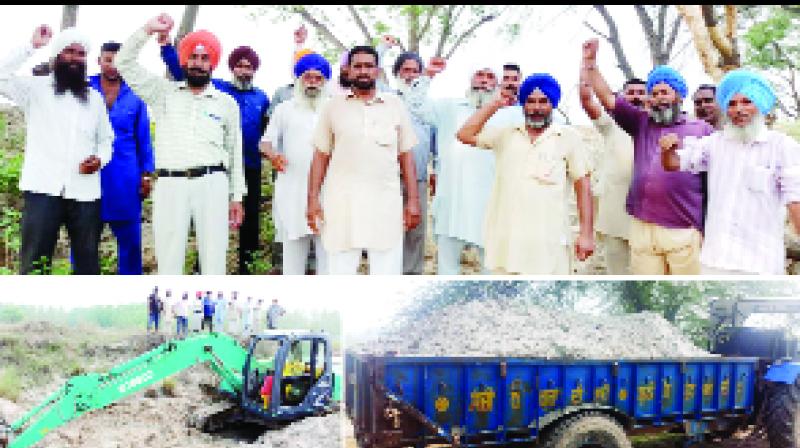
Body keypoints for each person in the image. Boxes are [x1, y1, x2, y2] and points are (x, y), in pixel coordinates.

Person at [115, 14, 245, 274]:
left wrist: (237, 197)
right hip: (169, 184)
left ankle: (212, 314)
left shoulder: (226, 103)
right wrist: (148, 29)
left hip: (213, 183)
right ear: (184, 60)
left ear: (213, 64)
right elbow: (124, 63)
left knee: (214, 260)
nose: (198, 63)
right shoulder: (163, 93)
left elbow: (234, 151)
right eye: (193, 57)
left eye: (204, 58)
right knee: (169, 259)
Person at [582, 38, 714, 275]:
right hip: (643, 226)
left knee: (686, 287)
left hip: (682, 228)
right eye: (654, 93)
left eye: (665, 92)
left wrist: (706, 228)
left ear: (678, 96)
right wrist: (590, 64)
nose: (660, 97)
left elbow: (712, 181)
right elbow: (607, 98)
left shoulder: (701, 129)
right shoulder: (642, 123)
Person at [660, 69, 800, 274]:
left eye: (746, 102)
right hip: (715, 261)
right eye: (732, 104)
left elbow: (795, 200)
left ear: (760, 104)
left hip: (760, 265)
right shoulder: (714, 143)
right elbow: (673, 164)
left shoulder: (782, 147)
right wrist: (667, 151)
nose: (738, 109)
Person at [0, 25, 114, 274]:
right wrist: (31, 46)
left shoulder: (94, 99)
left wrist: (99, 159)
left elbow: (106, 141)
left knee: (87, 266)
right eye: (68, 51)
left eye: (80, 53)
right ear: (56, 57)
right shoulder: (35, 89)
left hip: (85, 193)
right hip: (43, 190)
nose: (74, 58)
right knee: (34, 265)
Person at [457, 73, 594, 274]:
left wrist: (586, 234)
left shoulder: (568, 137)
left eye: (543, 102)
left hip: (548, 240)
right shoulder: (506, 134)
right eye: (530, 101)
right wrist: (495, 104)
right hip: (508, 240)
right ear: (522, 104)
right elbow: (464, 134)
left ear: (553, 104)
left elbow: (583, 186)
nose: (536, 108)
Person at [306, 45, 421, 275]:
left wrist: (413, 201)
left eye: (369, 66)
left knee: (387, 277)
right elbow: (320, 156)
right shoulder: (332, 106)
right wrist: (312, 200)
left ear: (377, 71)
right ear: (347, 70)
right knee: (340, 276)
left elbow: (406, 156)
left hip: (385, 206)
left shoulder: (395, 105)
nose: (363, 71)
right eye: (357, 66)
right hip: (342, 206)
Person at [159, 38, 270, 275]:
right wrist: (167, 47)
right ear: (231, 67)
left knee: (248, 224)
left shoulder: (261, 98)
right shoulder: (219, 90)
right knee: (203, 228)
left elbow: (264, 131)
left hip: (249, 165)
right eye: (240, 65)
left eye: (249, 66)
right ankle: (200, 270)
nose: (244, 70)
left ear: (255, 70)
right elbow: (185, 69)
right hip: (216, 168)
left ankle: (246, 271)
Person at [430, 65, 524, 274]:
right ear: (470, 79)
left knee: (490, 269)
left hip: (490, 203)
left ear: (497, 83)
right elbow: (417, 108)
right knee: (446, 268)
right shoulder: (449, 107)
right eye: (479, 75)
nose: (484, 80)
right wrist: (428, 75)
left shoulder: (512, 115)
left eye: (490, 76)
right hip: (451, 201)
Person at [261, 53, 332, 275]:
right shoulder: (284, 109)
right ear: (299, 80)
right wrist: (273, 155)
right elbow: (265, 142)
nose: (312, 82)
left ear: (325, 82)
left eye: (317, 78)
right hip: (292, 192)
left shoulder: (334, 108)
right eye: (307, 77)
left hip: (329, 193)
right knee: (292, 263)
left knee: (328, 263)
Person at [89, 41, 155, 275]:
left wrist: (146, 175)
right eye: (108, 60)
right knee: (84, 239)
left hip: (125, 177)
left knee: (130, 241)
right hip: (88, 177)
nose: (113, 66)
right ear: (99, 61)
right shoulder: (85, 88)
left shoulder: (135, 94)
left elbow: (144, 138)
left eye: (118, 61)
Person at [579, 74, 646, 275]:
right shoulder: (611, 124)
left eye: (641, 93)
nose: (636, 97)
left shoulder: (660, 126)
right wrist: (586, 70)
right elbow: (588, 102)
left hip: (649, 220)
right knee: (618, 272)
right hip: (615, 217)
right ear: (622, 97)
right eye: (631, 93)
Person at [390, 50, 445, 274]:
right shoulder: (386, 99)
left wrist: (437, 174)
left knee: (415, 232)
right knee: (389, 231)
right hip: (388, 179)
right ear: (397, 73)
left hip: (420, 177)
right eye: (406, 70)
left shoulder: (430, 106)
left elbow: (436, 145)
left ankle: (411, 274)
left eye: (416, 71)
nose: (411, 75)